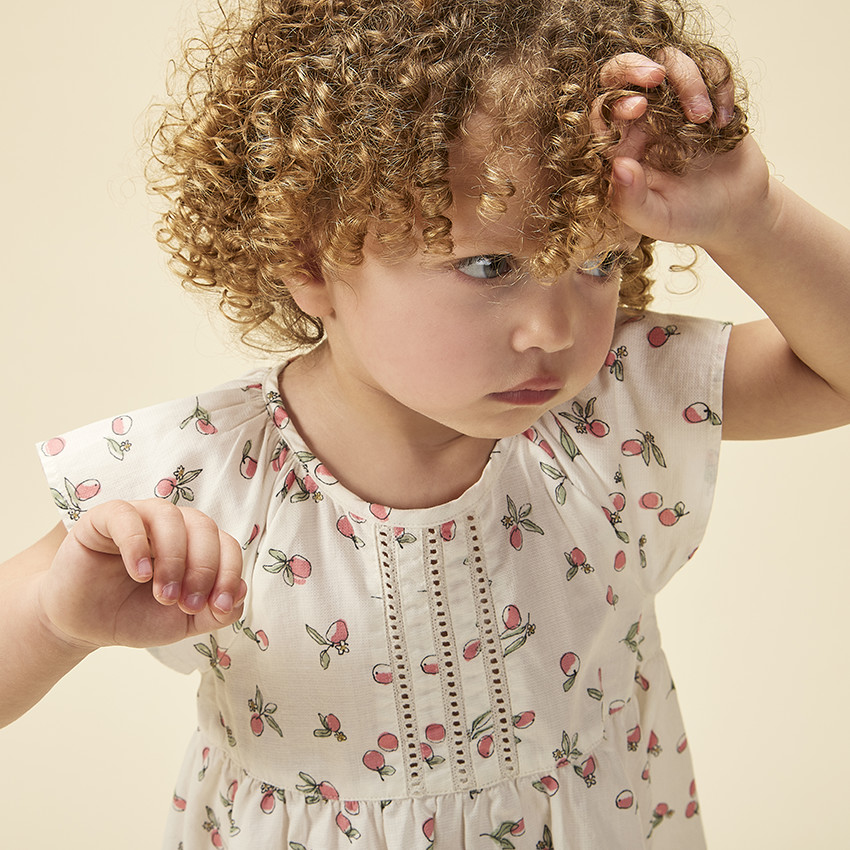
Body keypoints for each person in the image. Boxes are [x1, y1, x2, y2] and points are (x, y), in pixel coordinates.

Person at [2, 0, 849, 847]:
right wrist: (50, 619)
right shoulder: (197, 475)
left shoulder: (613, 407)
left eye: (598, 262)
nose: (554, 332)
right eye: (489, 265)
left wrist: (756, 218)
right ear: (310, 260)